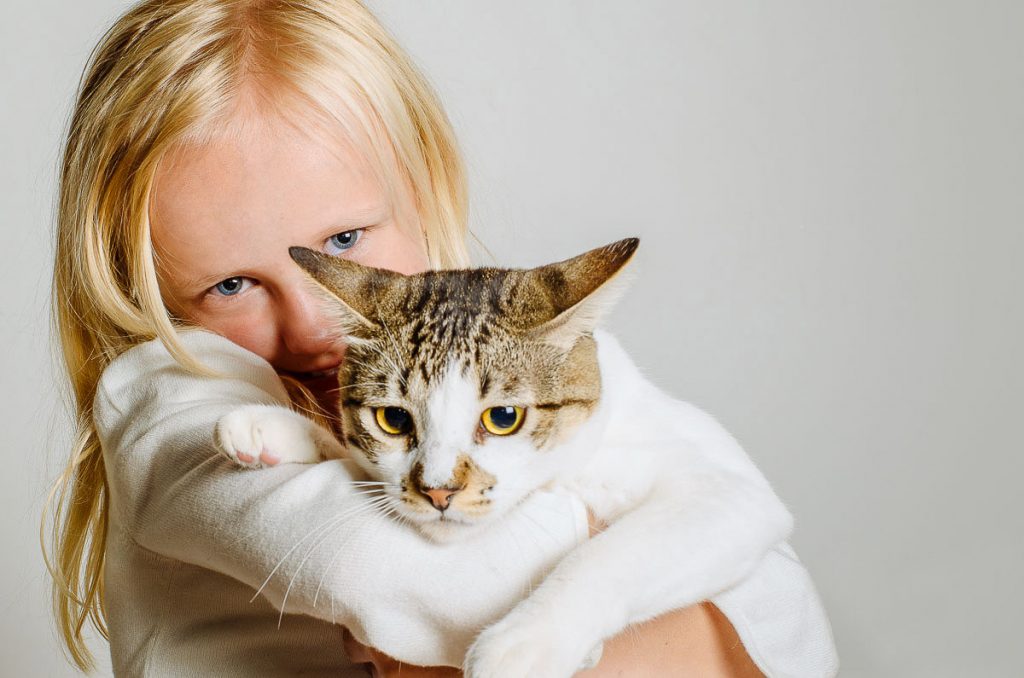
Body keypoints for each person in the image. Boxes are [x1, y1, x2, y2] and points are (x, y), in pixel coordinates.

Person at [43, 1, 839, 676]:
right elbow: (388, 568)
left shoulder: (473, 343)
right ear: (137, 282)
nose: (318, 325)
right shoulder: (166, 401)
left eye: (347, 238)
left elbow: (783, 602)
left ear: (424, 185)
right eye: (231, 285)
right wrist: (606, 522)